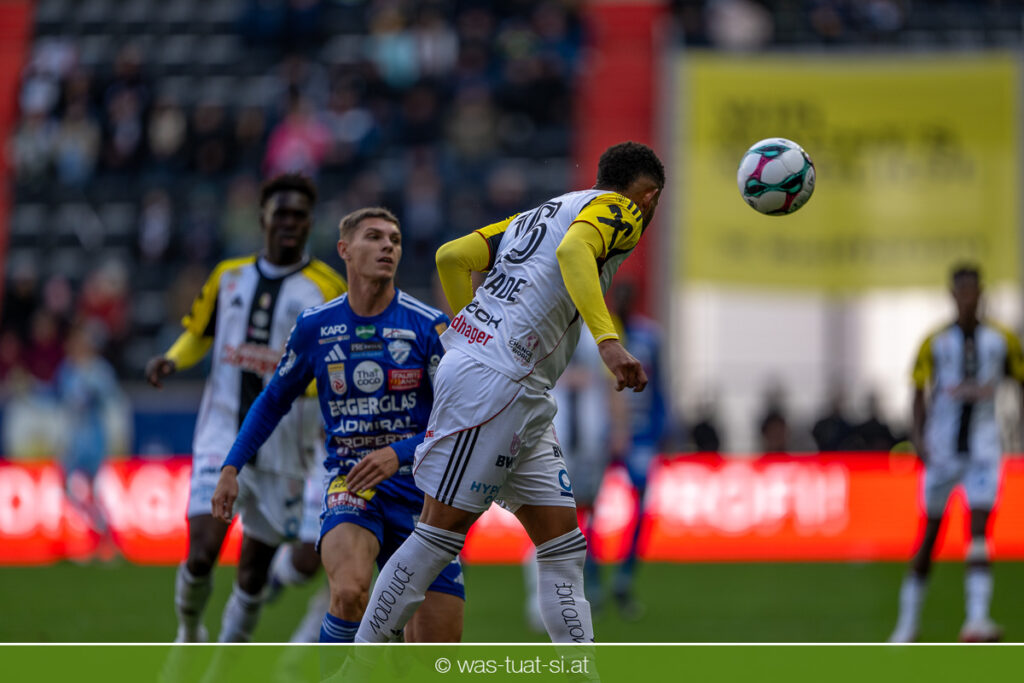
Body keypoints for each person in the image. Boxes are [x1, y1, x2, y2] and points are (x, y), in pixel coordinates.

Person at [354, 140, 665, 644]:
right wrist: (609, 343)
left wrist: (470, 329)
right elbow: (573, 252)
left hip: (519, 390)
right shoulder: (624, 210)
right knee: (437, 535)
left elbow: (453, 256)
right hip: (498, 382)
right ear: (648, 197)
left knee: (562, 546)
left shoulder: (547, 210)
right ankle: (357, 666)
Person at [212, 207, 465, 643]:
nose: (388, 246)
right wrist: (231, 466)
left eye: (395, 239)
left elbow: (462, 421)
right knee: (348, 593)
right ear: (344, 250)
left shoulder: (428, 326)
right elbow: (273, 400)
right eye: (374, 237)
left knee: (433, 654)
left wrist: (398, 453)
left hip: (424, 497)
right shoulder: (316, 327)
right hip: (352, 486)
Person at [145, 173, 347, 642]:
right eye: (282, 214)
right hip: (221, 432)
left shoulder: (327, 287)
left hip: (288, 446)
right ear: (263, 219)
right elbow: (199, 333)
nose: (290, 223)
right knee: (201, 551)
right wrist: (172, 359)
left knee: (254, 575)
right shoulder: (228, 276)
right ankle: (189, 633)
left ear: (310, 222)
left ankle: (225, 661)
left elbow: (340, 357)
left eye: (299, 216)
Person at [888, 263, 1024, 643]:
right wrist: (918, 438)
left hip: (983, 450)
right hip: (943, 451)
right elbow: (918, 392)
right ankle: (907, 625)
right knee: (930, 535)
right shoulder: (935, 342)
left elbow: (1019, 381)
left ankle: (976, 619)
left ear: (981, 293)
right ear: (952, 294)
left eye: (973, 290)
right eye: (961, 291)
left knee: (979, 531)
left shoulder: (1002, 341)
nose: (967, 298)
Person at [608, 281, 668, 619]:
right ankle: (592, 581)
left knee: (642, 505)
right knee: (586, 507)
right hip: (606, 434)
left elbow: (660, 386)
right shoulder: (601, 335)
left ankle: (624, 577)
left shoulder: (650, 337)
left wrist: (661, 429)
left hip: (642, 435)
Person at [56, 320, 124, 558]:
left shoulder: (100, 371)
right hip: (73, 440)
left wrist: (116, 437)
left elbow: (111, 401)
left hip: (94, 439)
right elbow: (63, 404)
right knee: (68, 489)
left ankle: (106, 539)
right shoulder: (66, 370)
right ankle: (97, 532)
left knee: (94, 491)